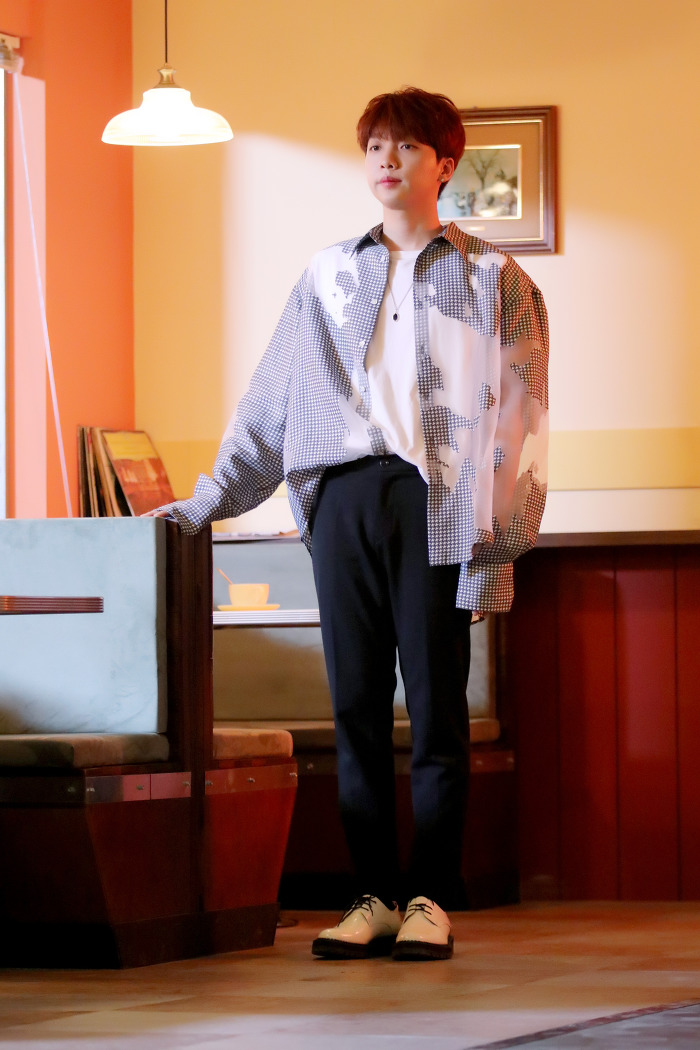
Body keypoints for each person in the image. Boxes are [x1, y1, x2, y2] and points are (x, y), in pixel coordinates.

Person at [148, 87, 549, 962]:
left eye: (405, 147)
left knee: (437, 709)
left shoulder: (497, 281)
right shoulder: (326, 275)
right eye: (374, 147)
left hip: (439, 504)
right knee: (354, 709)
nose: (385, 161)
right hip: (342, 500)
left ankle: (431, 899)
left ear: (445, 165)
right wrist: (206, 502)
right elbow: (271, 404)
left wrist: (496, 553)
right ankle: (372, 896)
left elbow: (519, 428)